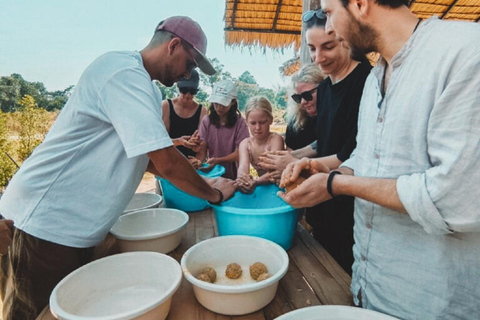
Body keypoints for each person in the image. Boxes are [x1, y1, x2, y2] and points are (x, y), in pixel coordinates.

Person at [0, 16, 237, 320]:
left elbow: (146, 158)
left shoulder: (148, 91)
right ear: (173, 45)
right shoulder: (122, 72)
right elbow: (165, 159)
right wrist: (211, 194)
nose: (187, 74)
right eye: (189, 64)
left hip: (73, 231)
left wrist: (204, 185)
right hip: (44, 225)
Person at [280, 1, 480, 318]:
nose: (328, 26)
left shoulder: (465, 51)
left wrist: (337, 183)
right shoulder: (376, 77)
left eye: (330, 12)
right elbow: (367, 156)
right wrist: (325, 169)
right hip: (368, 290)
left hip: (431, 303)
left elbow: (457, 199)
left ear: (360, 4)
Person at [263, 10, 372, 274]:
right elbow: (323, 142)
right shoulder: (324, 88)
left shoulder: (366, 82)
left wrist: (297, 161)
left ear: (346, 38)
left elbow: (351, 153)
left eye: (328, 46)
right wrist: (293, 157)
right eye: (312, 48)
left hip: (352, 202)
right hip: (323, 201)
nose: (318, 58)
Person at [195, 80, 250, 179]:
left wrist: (219, 160)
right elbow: (202, 149)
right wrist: (198, 162)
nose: (219, 107)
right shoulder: (206, 121)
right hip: (213, 173)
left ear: (233, 102)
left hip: (234, 175)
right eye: (216, 103)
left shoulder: (240, 123)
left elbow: (240, 153)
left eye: (223, 104)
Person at [236, 96, 284, 193]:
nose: (258, 128)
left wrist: (256, 181)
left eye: (262, 122)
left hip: (279, 186)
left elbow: (275, 172)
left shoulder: (275, 140)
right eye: (253, 123)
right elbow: (243, 167)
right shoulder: (245, 144)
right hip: (262, 185)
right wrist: (243, 180)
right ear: (246, 122)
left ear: (270, 120)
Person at [161, 69, 207, 164]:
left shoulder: (202, 111)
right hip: (168, 161)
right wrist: (179, 142)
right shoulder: (166, 106)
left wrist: (198, 161)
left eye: (192, 91)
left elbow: (202, 148)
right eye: (184, 90)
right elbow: (161, 142)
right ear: (178, 88)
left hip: (191, 162)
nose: (187, 95)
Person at [285, 63, 324, 151]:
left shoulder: (336, 117)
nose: (303, 102)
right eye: (298, 98)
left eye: (307, 95)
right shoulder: (295, 123)